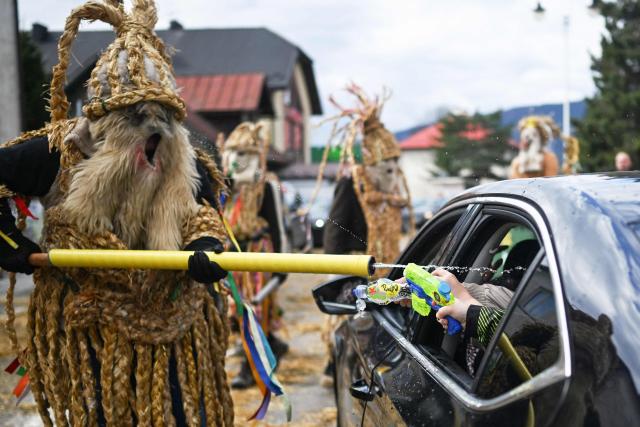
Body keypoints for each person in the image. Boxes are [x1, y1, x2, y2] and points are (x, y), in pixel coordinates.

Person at [0, 1, 233, 425]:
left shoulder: (184, 158)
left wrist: (204, 244)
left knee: (177, 414)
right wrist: (9, 243)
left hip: (173, 322)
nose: (153, 132)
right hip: (90, 326)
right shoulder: (60, 152)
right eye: (136, 118)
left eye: (163, 118)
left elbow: (202, 211)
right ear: (104, 122)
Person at [220, 122, 289, 388]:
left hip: (258, 257)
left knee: (254, 310)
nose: (238, 161)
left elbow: (278, 226)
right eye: (233, 153)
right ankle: (273, 345)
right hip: (233, 253)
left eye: (245, 154)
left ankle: (249, 368)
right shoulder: (224, 187)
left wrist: (281, 265)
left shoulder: (266, 187)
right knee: (234, 312)